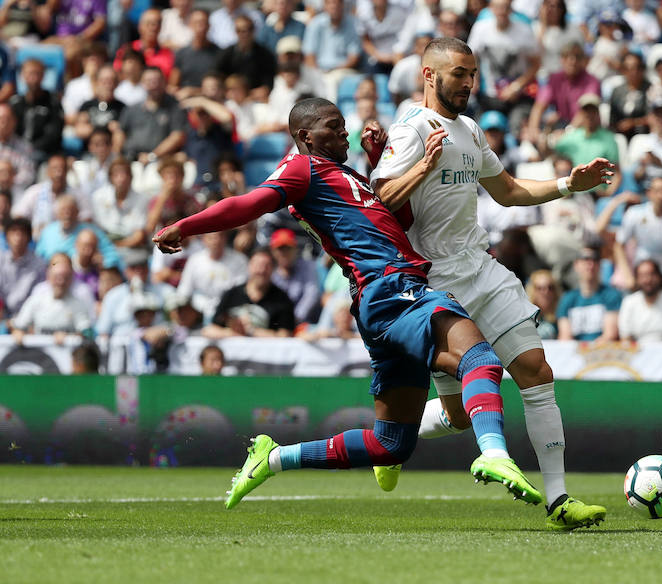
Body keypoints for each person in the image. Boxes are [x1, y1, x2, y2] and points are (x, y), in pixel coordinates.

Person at [153, 97, 548, 514]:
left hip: (381, 299)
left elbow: (402, 222)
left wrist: (379, 159)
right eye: (333, 126)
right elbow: (249, 204)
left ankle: (271, 458)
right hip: (390, 287)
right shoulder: (301, 168)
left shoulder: (342, 175)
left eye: (344, 125)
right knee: (480, 358)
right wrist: (186, 225)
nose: (345, 132)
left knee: (390, 443)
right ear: (305, 136)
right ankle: (494, 453)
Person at [368, 38, 615, 530]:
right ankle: (392, 440)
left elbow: (508, 192)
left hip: (480, 268)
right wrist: (420, 168)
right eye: (459, 72)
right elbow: (381, 199)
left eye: (473, 73)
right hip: (434, 285)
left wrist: (569, 184)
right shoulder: (412, 130)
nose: (469, 82)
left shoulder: (472, 131)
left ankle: (559, 501)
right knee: (459, 416)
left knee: (535, 371)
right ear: (429, 75)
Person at [11, 253, 93, 343]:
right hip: (38, 354)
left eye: (65, 277)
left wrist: (69, 337)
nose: (61, 282)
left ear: (71, 279)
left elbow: (87, 333)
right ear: (49, 277)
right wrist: (18, 333)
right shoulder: (36, 300)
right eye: (57, 277)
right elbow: (19, 326)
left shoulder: (78, 304)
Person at [178, 230, 248, 321]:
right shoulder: (194, 260)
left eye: (220, 236)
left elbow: (241, 290)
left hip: (229, 312)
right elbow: (184, 290)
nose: (216, 241)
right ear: (204, 240)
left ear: (225, 238)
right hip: (198, 312)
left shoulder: (240, 260)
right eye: (211, 238)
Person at [556, 245, 622, 342]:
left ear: (599, 265)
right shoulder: (567, 299)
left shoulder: (611, 295)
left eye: (594, 260)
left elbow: (610, 335)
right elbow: (565, 337)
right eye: (585, 259)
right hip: (574, 354)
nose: (590, 264)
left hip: (603, 352)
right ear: (576, 265)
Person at [270, 228, 322, 325]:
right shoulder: (270, 271)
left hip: (305, 324)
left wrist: (292, 320)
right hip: (278, 325)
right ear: (273, 252)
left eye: (288, 248)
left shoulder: (308, 266)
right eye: (280, 249)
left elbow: (312, 294)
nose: (284, 253)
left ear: (296, 249)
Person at [618, 259, 662, 342]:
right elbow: (625, 337)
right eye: (642, 276)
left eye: (651, 274)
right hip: (637, 351)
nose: (648, 280)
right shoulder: (629, 302)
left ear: (659, 277)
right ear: (637, 279)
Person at [0, 218, 44, 321]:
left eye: (22, 233)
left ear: (29, 237)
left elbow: (39, 295)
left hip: (29, 318)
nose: (18, 237)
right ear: (6, 237)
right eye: (14, 232)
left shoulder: (39, 264)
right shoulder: (1, 261)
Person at [524, 269, 561, 340]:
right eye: (540, 288)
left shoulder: (562, 315)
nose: (546, 292)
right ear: (532, 291)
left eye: (550, 288)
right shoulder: (524, 318)